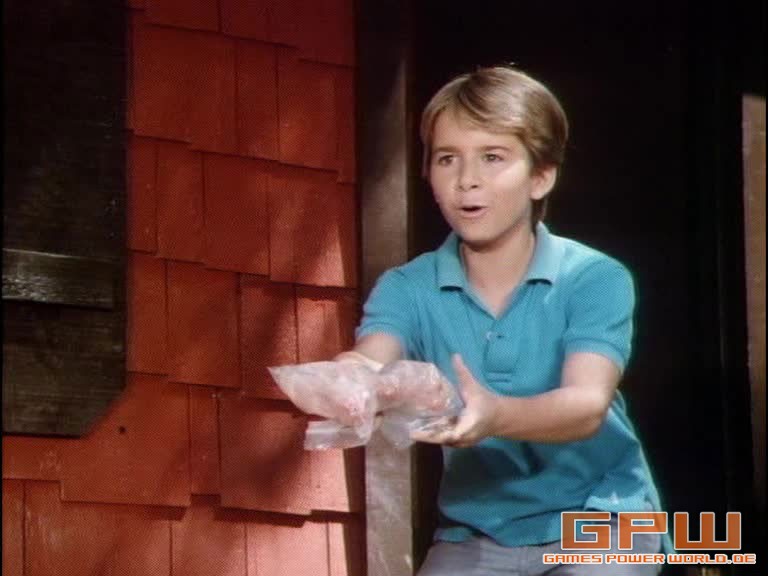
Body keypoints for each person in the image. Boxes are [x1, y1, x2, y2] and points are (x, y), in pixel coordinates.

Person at [335, 65, 669, 575]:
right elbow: (371, 358)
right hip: (477, 532)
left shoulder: (594, 277)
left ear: (541, 176)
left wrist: (494, 415)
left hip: (601, 517)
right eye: (447, 158)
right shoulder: (407, 286)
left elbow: (586, 406)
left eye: (492, 157)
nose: (466, 179)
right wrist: (348, 379)